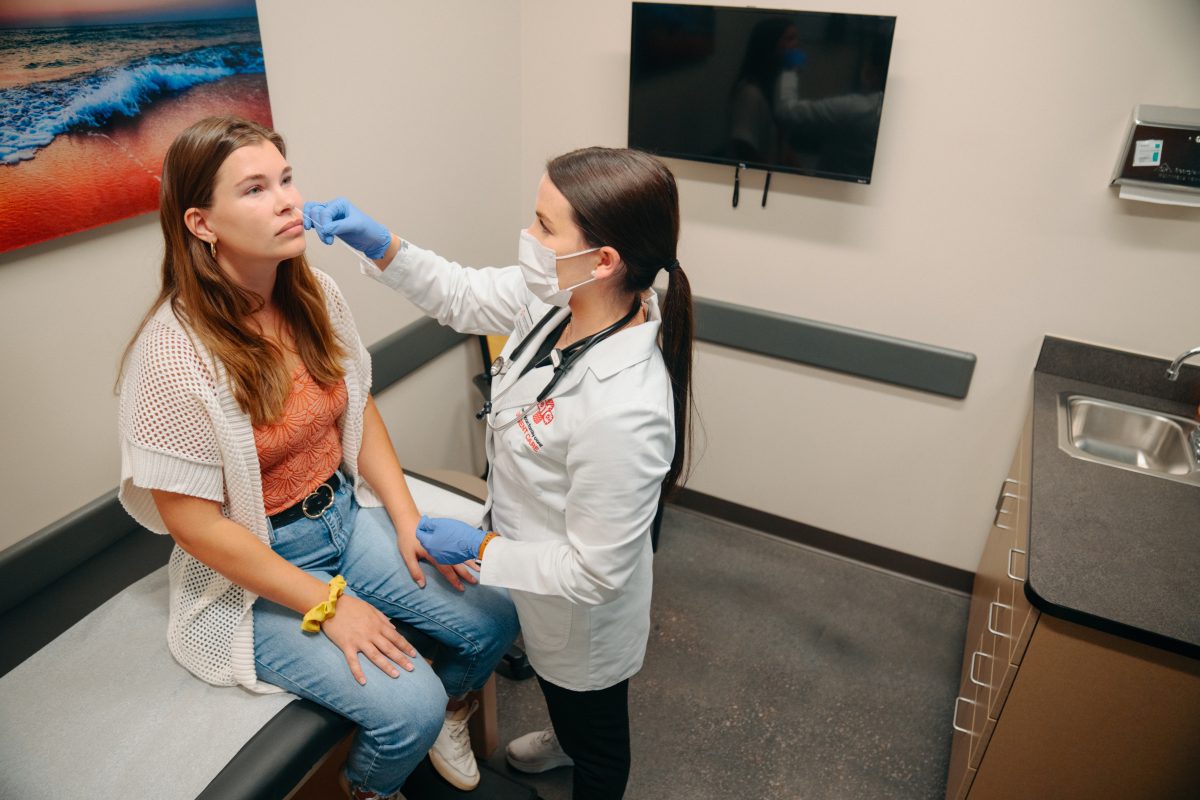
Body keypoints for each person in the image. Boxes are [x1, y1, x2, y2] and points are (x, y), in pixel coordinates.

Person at [116, 116, 518, 800]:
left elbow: (358, 408)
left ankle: (455, 710)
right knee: (407, 707)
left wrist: (406, 520)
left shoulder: (314, 295)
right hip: (258, 561)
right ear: (201, 223)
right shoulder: (170, 354)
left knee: (497, 616)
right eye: (255, 189)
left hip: (339, 517)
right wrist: (330, 606)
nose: (286, 201)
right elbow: (195, 526)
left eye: (287, 179)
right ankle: (368, 788)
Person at [304, 145, 695, 800]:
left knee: (597, 733)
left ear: (605, 260)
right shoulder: (556, 297)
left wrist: (485, 550)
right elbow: (460, 294)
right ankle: (563, 733)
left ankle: (580, 754)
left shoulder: (625, 407)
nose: (528, 237)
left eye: (544, 226)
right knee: (552, 679)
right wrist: (381, 245)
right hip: (530, 563)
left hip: (582, 615)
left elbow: (596, 572)